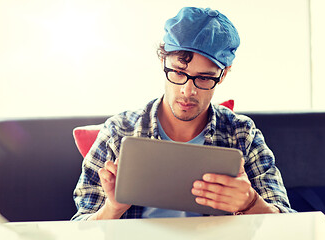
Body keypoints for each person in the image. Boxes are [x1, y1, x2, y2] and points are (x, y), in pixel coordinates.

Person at [72, 7, 295, 220]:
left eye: (205, 78)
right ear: (162, 62)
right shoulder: (118, 132)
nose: (188, 91)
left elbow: (288, 223)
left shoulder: (242, 134)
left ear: (223, 74)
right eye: (179, 73)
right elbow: (79, 227)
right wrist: (114, 208)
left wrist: (250, 203)